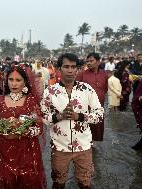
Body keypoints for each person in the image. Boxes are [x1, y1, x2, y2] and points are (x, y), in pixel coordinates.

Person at [41, 53, 104, 189]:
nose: (70, 70)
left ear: (78, 69)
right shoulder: (50, 92)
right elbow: (44, 118)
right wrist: (59, 116)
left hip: (84, 146)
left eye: (73, 67)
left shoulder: (86, 89)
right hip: (59, 147)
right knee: (58, 182)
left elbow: (99, 114)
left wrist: (79, 117)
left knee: (85, 183)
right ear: (59, 69)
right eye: (66, 66)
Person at [0, 66, 46, 189]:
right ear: (6, 81)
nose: (14, 83)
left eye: (18, 80)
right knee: (8, 179)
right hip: (6, 151)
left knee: (29, 180)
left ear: (25, 82)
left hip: (28, 151)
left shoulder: (31, 101)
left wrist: (24, 129)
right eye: (11, 79)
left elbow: (39, 127)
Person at [76, 52, 108, 141]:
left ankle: (93, 151)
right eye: (87, 61)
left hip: (98, 107)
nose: (88, 63)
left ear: (98, 62)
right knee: (84, 132)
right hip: (85, 109)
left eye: (91, 61)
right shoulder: (82, 74)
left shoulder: (104, 74)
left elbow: (105, 89)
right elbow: (75, 90)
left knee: (96, 130)